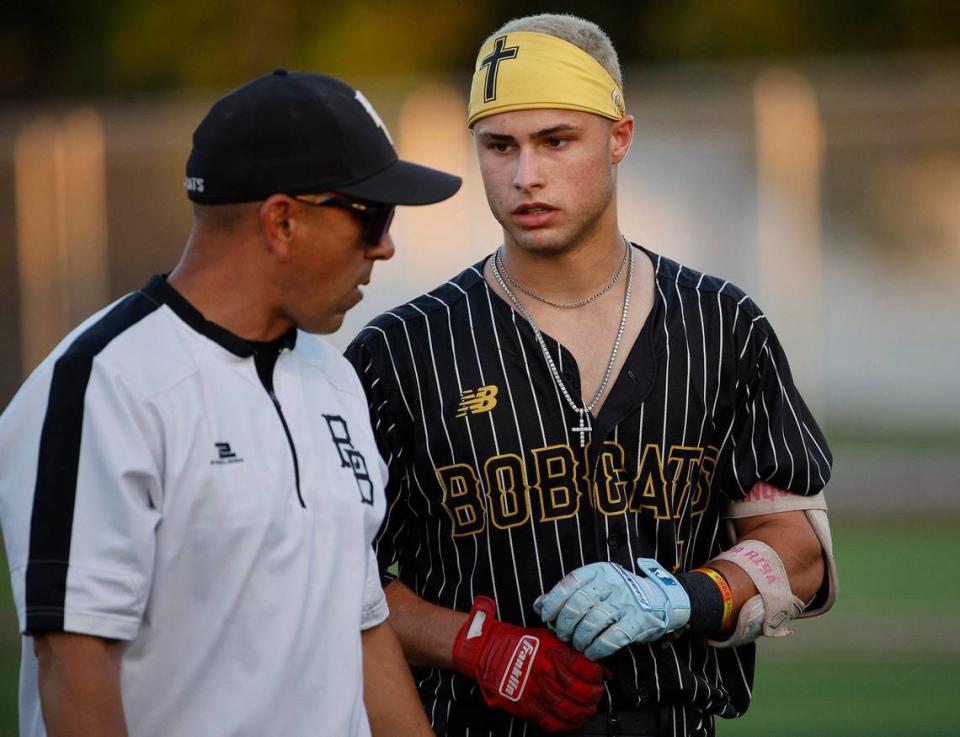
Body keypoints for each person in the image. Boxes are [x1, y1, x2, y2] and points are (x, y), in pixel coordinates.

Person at [344, 14, 838, 737]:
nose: (525, 176)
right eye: (499, 145)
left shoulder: (722, 325)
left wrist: (685, 597)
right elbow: (335, 575)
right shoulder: (403, 349)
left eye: (556, 141)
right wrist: (476, 644)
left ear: (619, 138)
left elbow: (799, 550)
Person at [0, 68, 461, 737]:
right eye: (372, 217)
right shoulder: (103, 383)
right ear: (282, 221)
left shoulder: (333, 381)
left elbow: (359, 626)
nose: (386, 246)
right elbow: (73, 662)